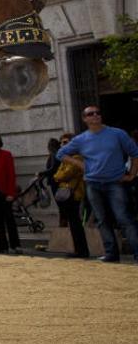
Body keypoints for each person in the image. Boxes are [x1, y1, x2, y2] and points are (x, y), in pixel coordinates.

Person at [57, 106, 138, 263]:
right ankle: (111, 254)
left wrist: (132, 175)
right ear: (84, 119)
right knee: (101, 220)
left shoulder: (117, 134)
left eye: (98, 113)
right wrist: (79, 164)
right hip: (93, 184)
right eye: (90, 114)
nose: (95, 115)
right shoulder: (81, 139)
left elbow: (135, 153)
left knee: (123, 218)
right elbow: (61, 154)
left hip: (115, 183)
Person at [53, 133, 89, 258]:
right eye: (62, 142)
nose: (63, 145)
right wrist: (60, 176)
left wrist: (60, 176)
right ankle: (78, 249)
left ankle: (82, 250)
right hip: (66, 193)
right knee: (72, 222)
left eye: (66, 142)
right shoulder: (65, 158)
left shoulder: (77, 158)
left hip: (74, 194)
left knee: (75, 222)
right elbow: (56, 175)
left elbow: (63, 175)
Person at [0, 134, 22, 254]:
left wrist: (11, 192)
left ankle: (15, 244)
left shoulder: (5, 155)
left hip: (3, 191)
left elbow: (11, 174)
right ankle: (3, 245)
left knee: (9, 219)